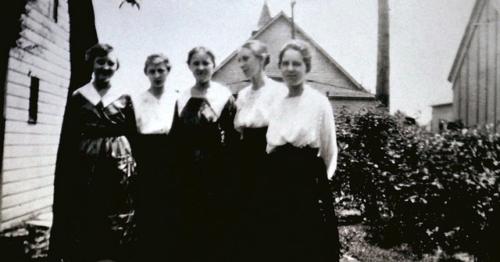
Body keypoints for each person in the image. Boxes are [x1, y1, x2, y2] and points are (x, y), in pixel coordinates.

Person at [49, 43, 138, 262]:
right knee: (86, 207)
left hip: (118, 160)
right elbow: (69, 135)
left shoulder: (125, 97)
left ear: (116, 67)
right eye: (101, 62)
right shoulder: (79, 96)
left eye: (110, 63)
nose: (105, 67)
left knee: (116, 208)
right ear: (92, 63)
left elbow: (132, 132)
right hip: (86, 159)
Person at [262, 39, 341, 262]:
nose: (290, 69)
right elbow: (270, 145)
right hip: (276, 181)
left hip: (306, 184)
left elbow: (329, 150)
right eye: (285, 63)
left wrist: (317, 186)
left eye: (296, 64)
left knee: (309, 245)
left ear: (307, 67)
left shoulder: (318, 102)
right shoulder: (276, 102)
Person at [171, 46, 238, 262]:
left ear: (213, 65)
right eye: (196, 63)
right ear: (189, 66)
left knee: (217, 225)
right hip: (187, 171)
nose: (201, 67)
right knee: (190, 224)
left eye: (205, 63)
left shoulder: (223, 95)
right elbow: (176, 137)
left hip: (217, 170)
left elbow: (234, 137)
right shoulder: (181, 97)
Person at [232, 40, 286, 261]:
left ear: (262, 59)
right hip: (245, 159)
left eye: (246, 59)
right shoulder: (243, 94)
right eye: (240, 60)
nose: (242, 64)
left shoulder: (279, 91)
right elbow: (239, 129)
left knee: (269, 219)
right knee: (246, 220)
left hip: (270, 160)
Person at [131, 54, 180, 261]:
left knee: (170, 207)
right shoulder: (137, 100)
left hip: (171, 154)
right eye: (152, 71)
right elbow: (133, 132)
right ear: (146, 73)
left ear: (168, 72)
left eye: (161, 70)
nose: (157, 75)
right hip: (146, 155)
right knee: (147, 207)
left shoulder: (177, 97)